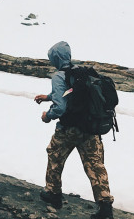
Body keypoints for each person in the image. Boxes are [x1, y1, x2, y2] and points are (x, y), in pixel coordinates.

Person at [34, 41, 114, 219]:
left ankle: (53, 195)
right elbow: (71, 92)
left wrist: (47, 115)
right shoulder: (81, 73)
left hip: (69, 128)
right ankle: (105, 206)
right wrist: (48, 97)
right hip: (90, 128)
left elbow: (61, 106)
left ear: (56, 58)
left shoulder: (59, 76)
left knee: (55, 154)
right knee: (95, 165)